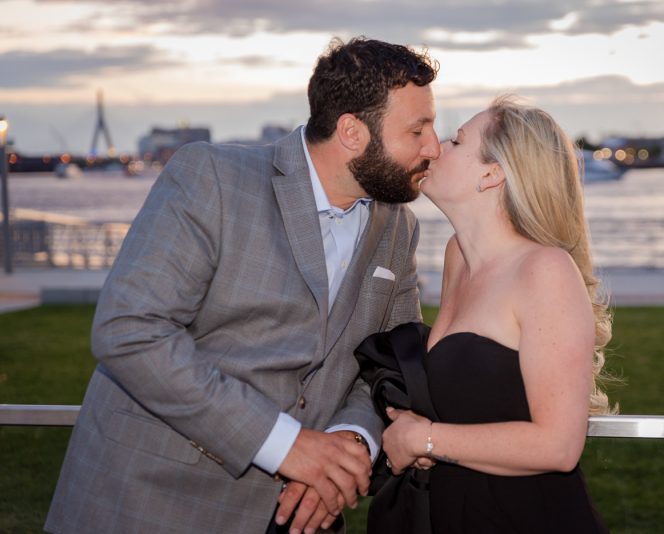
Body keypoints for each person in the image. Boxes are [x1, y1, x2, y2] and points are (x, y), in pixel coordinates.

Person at [45, 37, 440, 534]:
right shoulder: (212, 178)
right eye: (418, 130)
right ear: (351, 132)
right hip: (146, 504)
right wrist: (287, 446)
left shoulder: (399, 227)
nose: (434, 147)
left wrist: (348, 447)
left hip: (293, 517)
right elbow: (130, 330)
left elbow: (387, 364)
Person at [377, 97, 614, 533]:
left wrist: (425, 438)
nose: (435, 147)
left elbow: (559, 446)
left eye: (456, 141)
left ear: (492, 173)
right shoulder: (458, 257)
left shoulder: (544, 270)